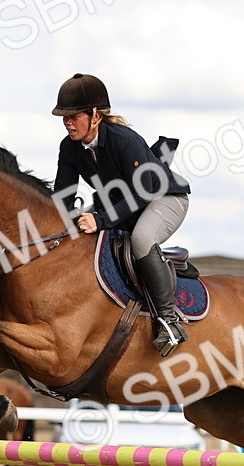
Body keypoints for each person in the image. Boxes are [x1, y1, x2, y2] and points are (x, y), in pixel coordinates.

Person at [51, 73, 192, 355]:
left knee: (140, 240)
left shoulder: (123, 140)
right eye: (63, 116)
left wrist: (100, 220)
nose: (67, 122)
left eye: (73, 115)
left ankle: (169, 321)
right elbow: (63, 196)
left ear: (95, 115)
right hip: (124, 203)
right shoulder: (70, 147)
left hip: (164, 198)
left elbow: (144, 192)